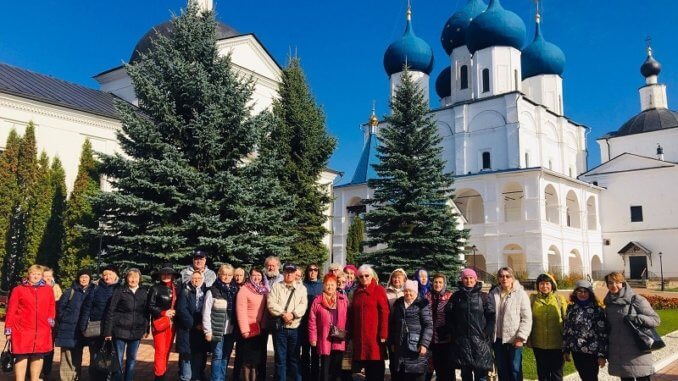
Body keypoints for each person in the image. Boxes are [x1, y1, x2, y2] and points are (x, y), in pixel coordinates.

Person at [604, 272, 660, 381]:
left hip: (638, 351)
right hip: (619, 353)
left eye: (617, 282)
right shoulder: (609, 304)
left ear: (623, 284)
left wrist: (637, 318)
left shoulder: (636, 299)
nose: (613, 285)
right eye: (610, 283)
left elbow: (655, 320)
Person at [4, 265, 56, 381]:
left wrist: (50, 321)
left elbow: (51, 306)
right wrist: (8, 329)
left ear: (41, 275)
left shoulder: (48, 290)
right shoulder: (18, 290)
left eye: (38, 274)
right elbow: (11, 310)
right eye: (33, 274)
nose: (35, 276)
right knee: (21, 356)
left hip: (42, 329)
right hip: (22, 330)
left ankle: (35, 379)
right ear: (28, 274)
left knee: (38, 356)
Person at [447, 268, 494, 381]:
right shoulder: (456, 297)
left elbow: (491, 316)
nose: (468, 280)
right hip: (462, 343)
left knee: (480, 375)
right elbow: (449, 315)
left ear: (475, 279)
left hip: (480, 342)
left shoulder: (483, 297)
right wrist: (454, 331)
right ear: (462, 280)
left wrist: (486, 332)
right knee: (465, 374)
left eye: (471, 278)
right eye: (466, 278)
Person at [104, 268, 150, 381]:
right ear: (127, 278)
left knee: (132, 359)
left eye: (136, 277)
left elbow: (146, 312)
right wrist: (108, 331)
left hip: (136, 332)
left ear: (140, 279)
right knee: (118, 359)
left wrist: (146, 329)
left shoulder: (144, 292)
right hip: (120, 331)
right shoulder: (120, 291)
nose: (133, 279)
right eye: (131, 277)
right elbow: (111, 311)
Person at [488, 267, 532, 381]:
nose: (504, 279)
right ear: (498, 279)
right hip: (497, 339)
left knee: (515, 369)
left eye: (508, 276)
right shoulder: (494, 293)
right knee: (502, 369)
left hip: (514, 339)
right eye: (502, 276)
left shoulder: (521, 294)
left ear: (512, 278)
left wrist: (521, 337)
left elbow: (526, 318)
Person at [267, 263, 309, 381]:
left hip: (295, 329)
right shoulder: (276, 287)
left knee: (294, 359)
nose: (289, 274)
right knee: (280, 360)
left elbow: (303, 305)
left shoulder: (301, 289)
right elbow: (271, 303)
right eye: (287, 271)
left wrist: (293, 315)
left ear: (296, 273)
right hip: (280, 329)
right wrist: (283, 314)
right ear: (283, 272)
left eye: (292, 272)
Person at [79, 264, 120, 381]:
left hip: (113, 328)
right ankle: (95, 377)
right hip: (96, 327)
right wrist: (83, 325)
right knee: (95, 355)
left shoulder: (120, 288)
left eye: (110, 274)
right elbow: (87, 307)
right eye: (105, 275)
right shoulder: (95, 288)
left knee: (110, 355)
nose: (107, 277)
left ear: (116, 275)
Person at [349, 264, 389, 381]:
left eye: (367, 276)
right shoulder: (357, 292)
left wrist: (383, 333)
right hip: (360, 337)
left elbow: (385, 312)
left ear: (372, 276)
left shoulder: (378, 290)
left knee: (375, 367)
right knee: (364, 368)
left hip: (375, 337)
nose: (364, 278)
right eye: (361, 276)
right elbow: (352, 314)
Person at [562, 280, 607, 381]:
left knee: (591, 377)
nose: (582, 294)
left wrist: (602, 355)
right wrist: (566, 349)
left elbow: (602, 333)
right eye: (579, 291)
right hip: (576, 350)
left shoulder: (597, 310)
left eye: (585, 291)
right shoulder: (571, 308)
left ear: (590, 293)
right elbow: (567, 328)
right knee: (583, 376)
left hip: (591, 351)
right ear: (575, 292)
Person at [388, 279, 433, 381]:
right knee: (401, 375)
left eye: (410, 291)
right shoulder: (398, 303)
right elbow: (392, 324)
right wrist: (392, 342)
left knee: (416, 375)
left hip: (416, 347)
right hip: (400, 347)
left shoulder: (422, 303)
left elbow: (428, 325)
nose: (408, 293)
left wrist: (424, 344)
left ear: (415, 292)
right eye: (406, 291)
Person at [308, 273, 349, 381]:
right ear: (323, 285)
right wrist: (313, 338)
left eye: (332, 284)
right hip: (324, 336)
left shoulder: (343, 299)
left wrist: (348, 335)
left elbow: (349, 318)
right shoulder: (317, 301)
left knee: (336, 366)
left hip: (339, 336)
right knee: (325, 366)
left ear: (336, 285)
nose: (330, 287)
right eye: (327, 284)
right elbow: (312, 321)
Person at [55, 268, 93, 381]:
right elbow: (60, 309)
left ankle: (76, 377)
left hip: (81, 330)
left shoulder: (93, 292)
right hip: (68, 328)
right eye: (82, 277)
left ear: (90, 279)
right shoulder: (70, 292)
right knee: (66, 356)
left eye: (86, 277)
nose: (84, 279)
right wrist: (66, 320)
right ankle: (66, 378)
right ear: (78, 278)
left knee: (77, 356)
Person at [528, 273, 568, 381]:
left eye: (547, 283)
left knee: (557, 374)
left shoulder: (559, 299)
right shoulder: (532, 299)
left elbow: (566, 319)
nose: (544, 286)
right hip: (539, 343)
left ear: (552, 285)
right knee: (542, 373)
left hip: (557, 343)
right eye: (541, 284)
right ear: (538, 285)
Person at [203, 264, 239, 381]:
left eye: (229, 275)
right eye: (224, 274)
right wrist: (208, 331)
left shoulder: (235, 290)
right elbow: (206, 312)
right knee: (217, 356)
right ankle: (215, 379)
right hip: (217, 329)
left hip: (231, 329)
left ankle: (221, 378)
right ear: (219, 275)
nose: (226, 277)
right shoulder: (212, 291)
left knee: (226, 356)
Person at [236, 267, 270, 381]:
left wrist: (264, 326)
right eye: (254, 275)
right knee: (247, 361)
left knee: (256, 361)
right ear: (250, 276)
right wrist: (245, 330)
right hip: (249, 330)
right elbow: (241, 311)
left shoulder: (264, 290)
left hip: (260, 329)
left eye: (259, 275)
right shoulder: (245, 289)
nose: (257, 277)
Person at [148, 262, 180, 381]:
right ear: (160, 275)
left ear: (172, 275)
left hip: (172, 325)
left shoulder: (176, 289)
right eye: (164, 274)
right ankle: (159, 376)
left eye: (168, 274)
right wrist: (163, 312)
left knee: (166, 351)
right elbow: (150, 306)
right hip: (160, 323)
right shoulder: (155, 288)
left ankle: (163, 373)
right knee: (160, 351)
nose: (166, 276)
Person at [176, 271, 209, 381]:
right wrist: (194, 324)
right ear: (190, 279)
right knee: (187, 355)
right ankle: (186, 377)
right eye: (194, 278)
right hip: (187, 328)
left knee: (199, 354)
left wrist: (203, 325)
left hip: (201, 328)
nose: (196, 280)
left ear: (202, 279)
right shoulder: (185, 290)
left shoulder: (206, 290)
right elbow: (181, 309)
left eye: (199, 278)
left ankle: (196, 376)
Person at [425, 273, 452, 381]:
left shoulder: (449, 296)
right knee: (430, 367)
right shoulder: (427, 296)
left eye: (440, 282)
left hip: (445, 337)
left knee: (445, 369)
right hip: (430, 337)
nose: (438, 284)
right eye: (436, 282)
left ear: (444, 283)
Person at [301, 263, 323, 381]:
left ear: (318, 272)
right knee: (305, 352)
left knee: (316, 353)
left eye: (315, 270)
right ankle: (305, 376)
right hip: (304, 323)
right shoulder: (302, 285)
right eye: (310, 270)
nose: (313, 272)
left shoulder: (323, 286)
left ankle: (315, 376)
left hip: (317, 325)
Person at [41, 267, 62, 380]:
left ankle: (46, 371)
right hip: (39, 323)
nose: (48, 278)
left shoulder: (56, 288)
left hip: (52, 323)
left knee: (49, 347)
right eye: (46, 276)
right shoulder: (38, 288)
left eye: (50, 276)